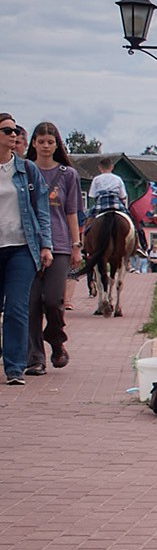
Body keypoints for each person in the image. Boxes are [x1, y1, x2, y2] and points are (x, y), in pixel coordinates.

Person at [0, 113, 55, 387]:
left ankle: (14, 368)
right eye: (7, 130)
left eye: (15, 131)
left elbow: (41, 210)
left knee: (17, 308)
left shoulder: (26, 170)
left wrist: (46, 245)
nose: (13, 135)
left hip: (22, 248)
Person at [24, 122, 81, 374]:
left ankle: (56, 340)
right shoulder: (23, 171)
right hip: (27, 244)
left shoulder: (68, 174)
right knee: (32, 302)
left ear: (57, 145)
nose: (46, 146)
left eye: (50, 142)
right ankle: (36, 358)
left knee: (53, 300)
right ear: (33, 143)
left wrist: (76, 245)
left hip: (59, 244)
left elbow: (71, 212)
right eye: (41, 141)